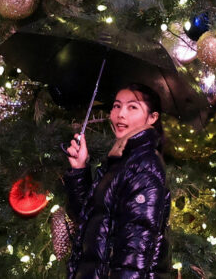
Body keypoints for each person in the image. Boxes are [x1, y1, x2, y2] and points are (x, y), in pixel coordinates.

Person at [62, 83, 174, 278]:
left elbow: (136, 248)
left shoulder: (145, 164)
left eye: (132, 107)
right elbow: (88, 219)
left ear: (153, 117)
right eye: (116, 106)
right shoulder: (119, 160)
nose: (121, 114)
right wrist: (79, 169)